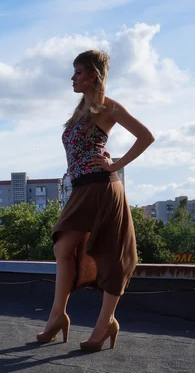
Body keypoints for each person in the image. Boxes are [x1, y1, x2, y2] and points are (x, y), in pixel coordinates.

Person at [36, 50, 155, 351]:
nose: (72, 78)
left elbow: (145, 136)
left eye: (77, 72)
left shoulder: (108, 107)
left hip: (102, 187)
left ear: (92, 75)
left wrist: (116, 164)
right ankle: (57, 316)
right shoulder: (79, 110)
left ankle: (105, 324)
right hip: (80, 188)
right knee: (63, 247)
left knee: (111, 255)